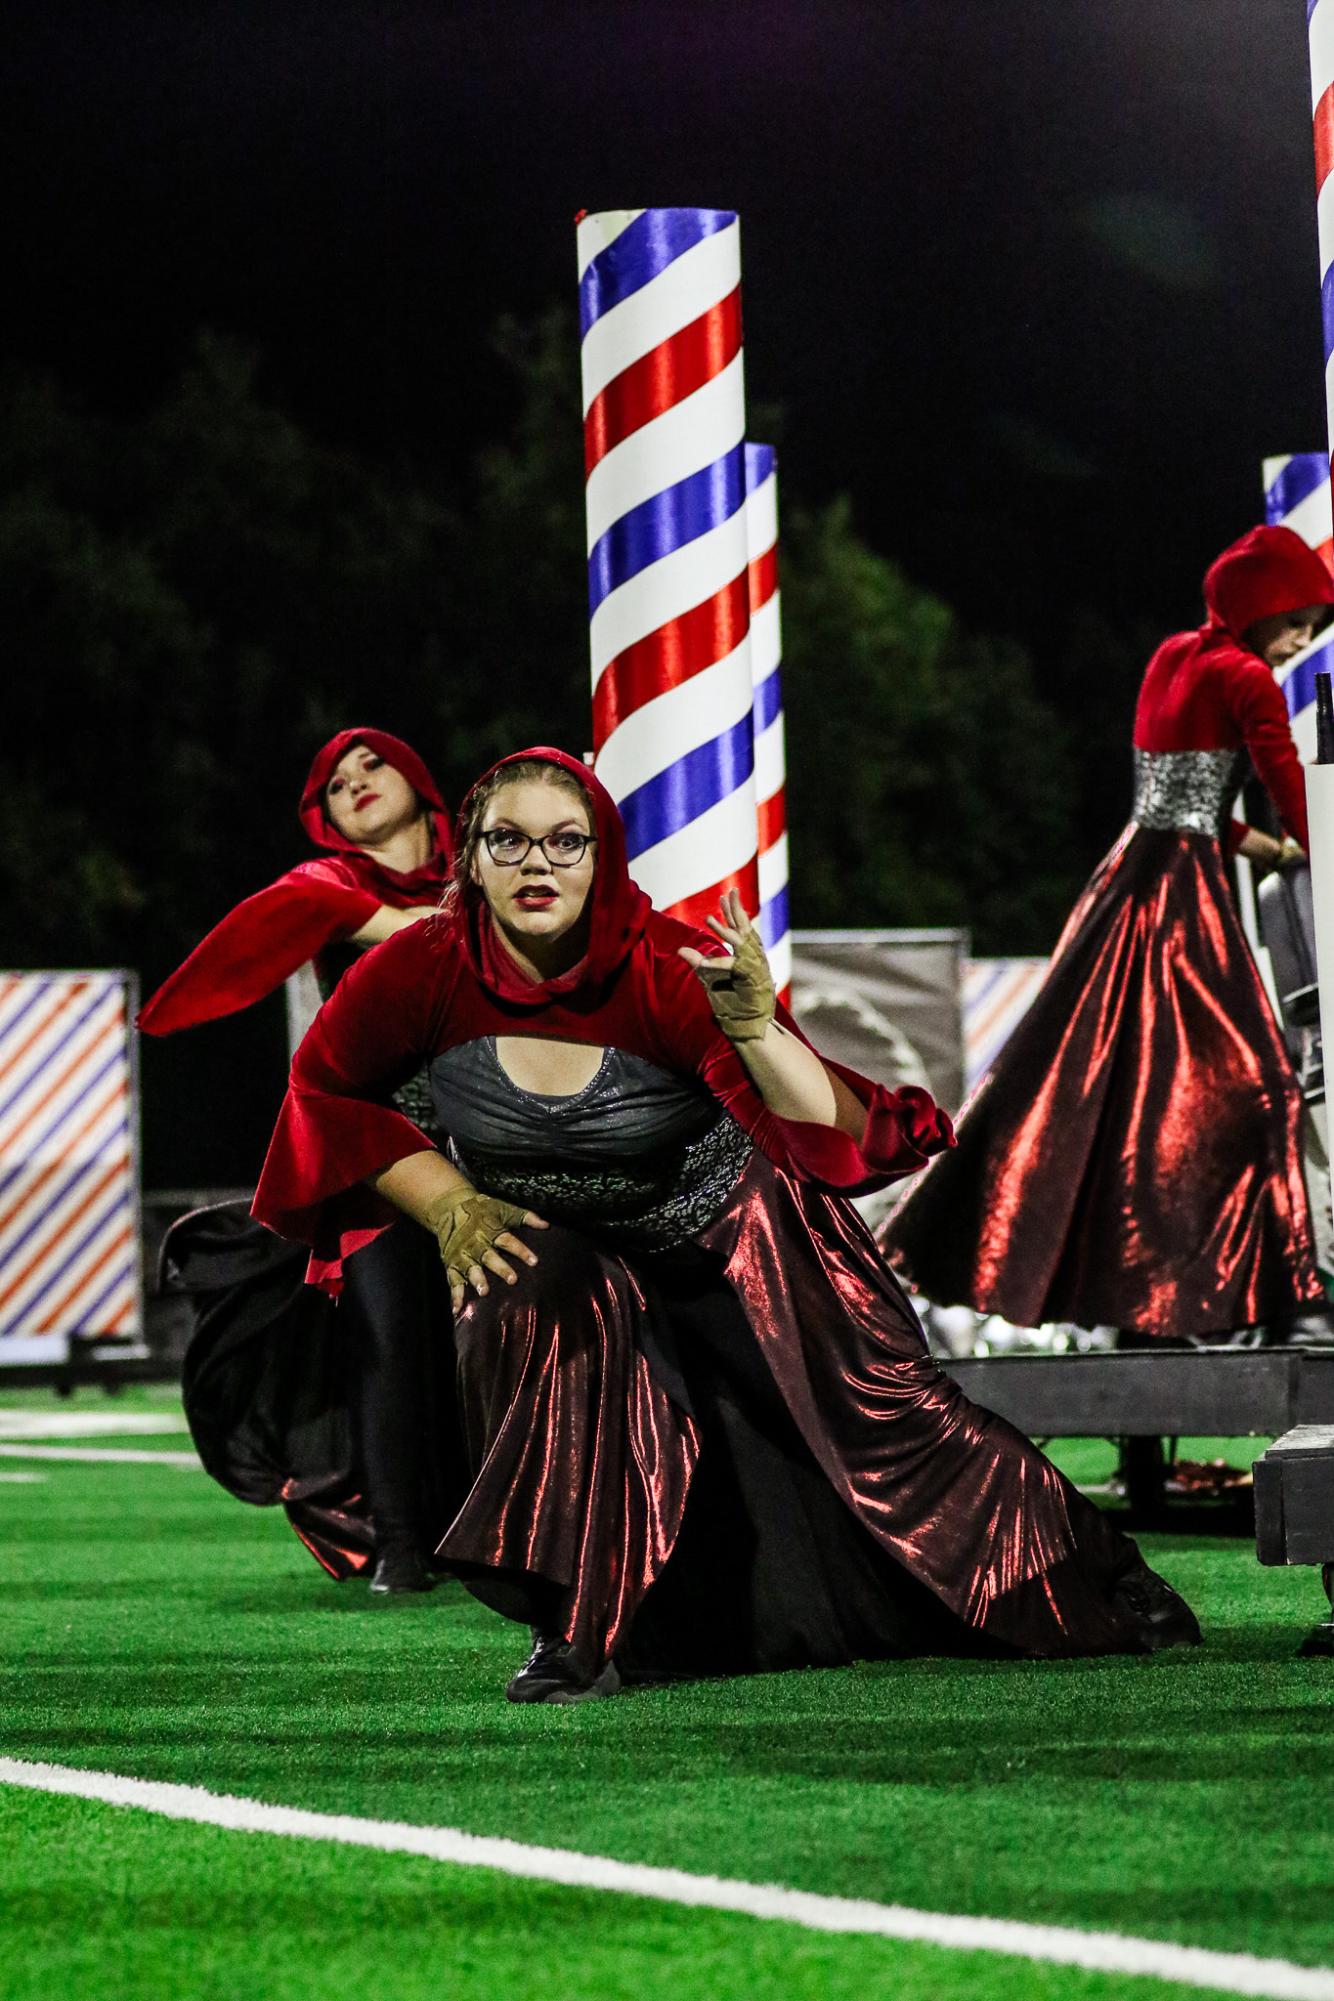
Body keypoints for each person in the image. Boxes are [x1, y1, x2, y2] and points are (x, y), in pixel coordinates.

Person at [252, 746, 1199, 1703]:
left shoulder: (662, 964)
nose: (537, 865)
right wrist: (450, 1203)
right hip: (581, 1241)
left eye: (564, 842)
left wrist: (754, 1029)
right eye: (510, 841)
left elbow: (814, 1122)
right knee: (527, 1298)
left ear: (602, 856)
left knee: (882, 1421)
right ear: (473, 859)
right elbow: (322, 1089)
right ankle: (570, 1632)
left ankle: (1104, 1574)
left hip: (737, 1231)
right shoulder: (418, 969)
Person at [880, 524, 1334, 1343]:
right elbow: (1288, 787)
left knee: (1101, 1094)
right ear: (1261, 608)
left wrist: (1262, 845)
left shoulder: (1173, 657)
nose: (1303, 639)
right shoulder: (1247, 678)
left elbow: (1172, 792)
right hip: (1181, 898)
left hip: (1123, 879)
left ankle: (1136, 1310)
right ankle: (1291, 1299)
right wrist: (1319, 847)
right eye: (1297, 620)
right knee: (1263, 1086)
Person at [141, 727, 457, 1592]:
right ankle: (399, 1544)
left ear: (418, 777)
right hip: (375, 1142)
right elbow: (387, 928)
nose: (354, 782)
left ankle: (514, 1527)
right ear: (323, 823)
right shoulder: (329, 886)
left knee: (499, 1332)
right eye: (333, 784)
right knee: (388, 1335)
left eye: (372, 763)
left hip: (499, 1135)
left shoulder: (494, 859)